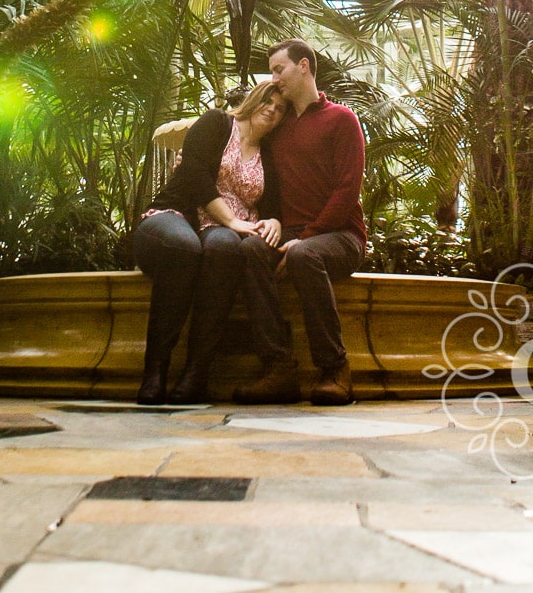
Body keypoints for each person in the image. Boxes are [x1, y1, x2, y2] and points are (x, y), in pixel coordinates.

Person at [133, 81, 286, 405]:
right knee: (183, 248)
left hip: (220, 231)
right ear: (255, 99)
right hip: (175, 214)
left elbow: (272, 203)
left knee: (224, 249)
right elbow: (194, 173)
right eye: (268, 101)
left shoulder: (269, 153)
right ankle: (155, 370)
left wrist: (273, 220)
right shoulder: (216, 122)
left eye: (280, 108)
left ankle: (196, 373)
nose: (273, 109)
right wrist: (230, 219)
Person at [234, 39, 366, 407]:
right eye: (271, 72)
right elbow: (248, 157)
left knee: (305, 256)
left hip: (341, 234)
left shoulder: (342, 119)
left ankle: (335, 369)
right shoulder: (278, 126)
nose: (274, 79)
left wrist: (306, 237)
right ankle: (278, 369)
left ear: (304, 66)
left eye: (279, 70)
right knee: (250, 250)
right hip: (294, 231)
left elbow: (346, 190)